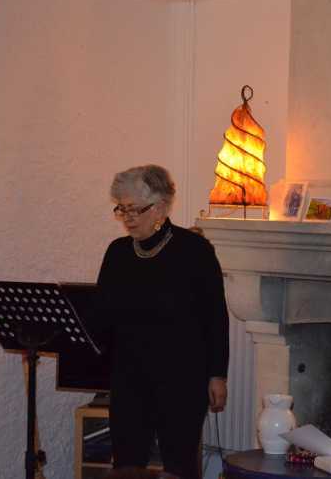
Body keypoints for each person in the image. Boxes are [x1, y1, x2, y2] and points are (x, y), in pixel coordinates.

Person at [94, 165, 229, 479]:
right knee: (126, 467)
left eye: (134, 209)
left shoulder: (194, 251)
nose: (127, 217)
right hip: (129, 379)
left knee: (178, 467)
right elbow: (101, 315)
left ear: (159, 208)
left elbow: (215, 316)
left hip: (182, 380)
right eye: (122, 209)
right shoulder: (117, 253)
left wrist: (217, 375)